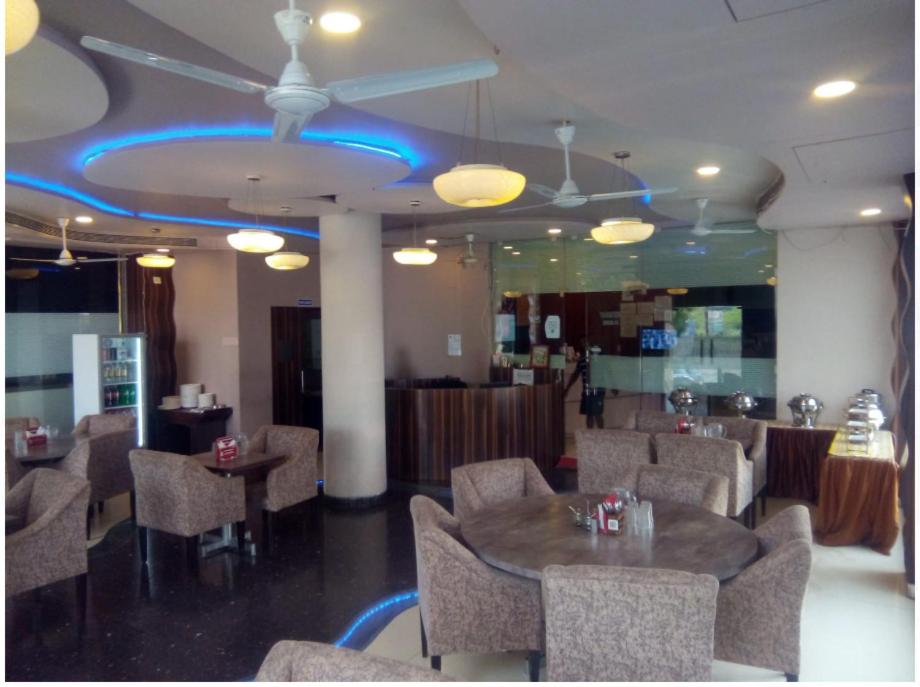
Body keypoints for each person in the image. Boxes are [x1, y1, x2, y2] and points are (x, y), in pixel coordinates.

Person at [564, 341, 606, 429]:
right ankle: (590, 435)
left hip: (598, 391)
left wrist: (613, 386)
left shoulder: (599, 358)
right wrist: (567, 388)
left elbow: (607, 373)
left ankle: (601, 434)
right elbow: (575, 375)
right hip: (587, 391)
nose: (585, 346)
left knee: (597, 414)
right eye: (583, 344)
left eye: (586, 344)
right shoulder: (582, 360)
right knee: (589, 414)